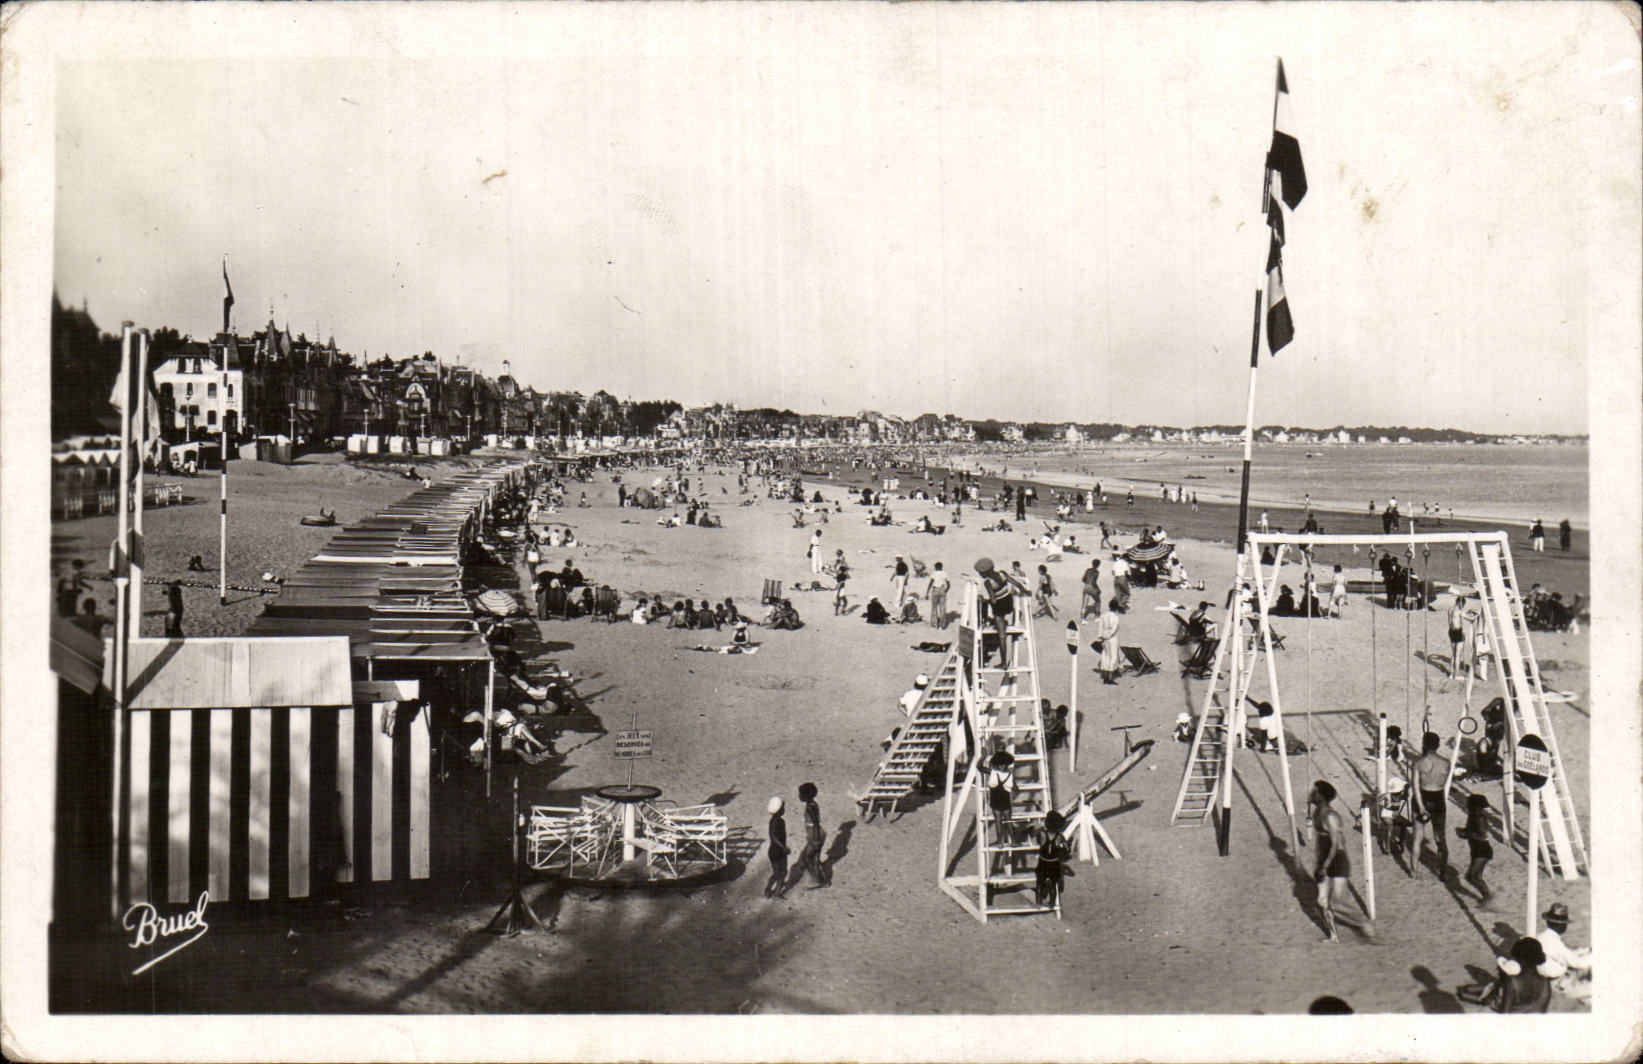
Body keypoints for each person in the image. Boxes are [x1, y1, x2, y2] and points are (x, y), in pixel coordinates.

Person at [1309, 780, 1372, 942]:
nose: (1311, 795)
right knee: (1322, 901)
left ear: (1322, 796)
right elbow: (1320, 843)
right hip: (1323, 859)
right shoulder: (1316, 813)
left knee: (1338, 900)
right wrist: (1318, 862)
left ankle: (1362, 923)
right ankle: (1334, 936)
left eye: (1315, 793)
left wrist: (1325, 866)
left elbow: (1335, 845)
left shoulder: (1331, 816)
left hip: (1337, 859)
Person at [1408, 732, 1452, 880]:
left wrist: (1421, 807)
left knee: (1417, 837)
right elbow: (1443, 782)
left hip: (1422, 796)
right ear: (1438, 745)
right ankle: (1443, 872)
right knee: (1440, 837)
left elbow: (1415, 787)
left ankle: (1413, 870)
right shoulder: (1446, 763)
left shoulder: (1418, 763)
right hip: (1438, 797)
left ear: (1424, 744)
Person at [975, 557, 1027, 667]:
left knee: (1002, 636)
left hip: (999, 608)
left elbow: (993, 600)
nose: (980, 575)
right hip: (1008, 604)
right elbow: (1016, 583)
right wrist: (1025, 590)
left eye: (980, 573)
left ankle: (1003, 663)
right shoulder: (1002, 573)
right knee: (1001, 629)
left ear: (985, 572)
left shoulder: (987, 582)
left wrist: (983, 600)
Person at [1536, 902, 1592, 1002]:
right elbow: (1578, 963)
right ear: (1562, 926)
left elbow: (1566, 955)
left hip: (1554, 978)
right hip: (1558, 984)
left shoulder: (1541, 936)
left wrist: (1585, 951)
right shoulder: (1555, 943)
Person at [1459, 792, 1494, 904]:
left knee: (1475, 877)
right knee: (1470, 877)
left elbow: (1482, 835)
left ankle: (1488, 898)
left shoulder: (1480, 818)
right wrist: (1463, 832)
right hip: (1476, 849)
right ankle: (1486, 896)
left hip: (1482, 850)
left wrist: (1467, 834)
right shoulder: (1472, 817)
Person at [986, 750, 1017, 871]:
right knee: (1008, 821)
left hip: (995, 799)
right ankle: (1013, 841)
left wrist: (982, 756)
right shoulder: (1009, 775)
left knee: (998, 822)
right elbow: (1015, 787)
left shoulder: (993, 773)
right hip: (1005, 800)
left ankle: (1000, 842)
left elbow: (979, 767)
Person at [1034, 810, 1072, 909]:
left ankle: (1038, 903)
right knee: (1053, 885)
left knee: (1039, 883)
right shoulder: (1059, 836)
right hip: (1054, 863)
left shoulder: (1042, 834)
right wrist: (1062, 847)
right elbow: (1068, 850)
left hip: (1043, 862)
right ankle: (1051, 903)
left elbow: (1038, 840)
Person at [796, 782, 829, 888]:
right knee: (815, 859)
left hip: (814, 835)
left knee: (807, 858)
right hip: (818, 834)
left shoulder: (810, 807)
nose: (799, 796)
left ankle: (817, 879)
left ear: (806, 795)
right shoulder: (812, 805)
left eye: (800, 794)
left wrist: (815, 839)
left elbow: (815, 824)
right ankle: (823, 880)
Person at [765, 796, 790, 899]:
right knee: (778, 873)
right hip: (776, 851)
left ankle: (777, 892)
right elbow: (773, 836)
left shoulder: (778, 821)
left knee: (782, 872)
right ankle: (770, 889)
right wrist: (783, 847)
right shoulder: (775, 821)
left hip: (778, 851)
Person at [1090, 605, 1121, 685]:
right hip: (1112, 639)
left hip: (1104, 638)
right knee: (1113, 657)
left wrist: (1101, 637)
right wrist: (1108, 635)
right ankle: (1110, 678)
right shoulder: (1116, 617)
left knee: (1105, 656)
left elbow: (1100, 627)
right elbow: (1114, 629)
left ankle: (1105, 677)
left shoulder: (1103, 615)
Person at [1446, 596, 1468, 676]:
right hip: (1458, 632)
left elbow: (1453, 618)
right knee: (1458, 655)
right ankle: (1457, 674)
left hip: (1451, 631)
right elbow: (1469, 618)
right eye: (1463, 604)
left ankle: (1451, 673)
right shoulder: (1459, 611)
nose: (1463, 606)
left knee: (1454, 653)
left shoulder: (1450, 609)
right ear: (1460, 602)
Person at [926, 561, 950, 629]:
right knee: (942, 608)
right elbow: (948, 584)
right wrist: (945, 591)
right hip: (942, 589)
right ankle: (942, 625)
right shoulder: (945, 573)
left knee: (934, 607)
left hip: (935, 589)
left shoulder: (934, 573)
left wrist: (927, 592)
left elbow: (930, 583)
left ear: (935, 567)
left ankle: (935, 624)